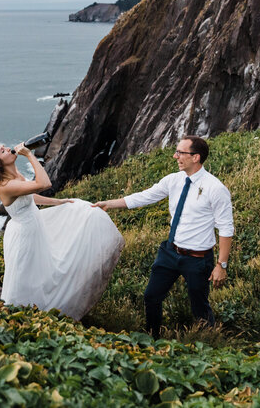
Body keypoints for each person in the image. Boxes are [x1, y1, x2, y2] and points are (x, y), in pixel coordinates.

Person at [93, 135, 234, 337]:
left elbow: (226, 229)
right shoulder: (173, 180)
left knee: (199, 306)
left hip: (198, 259)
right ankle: (152, 339)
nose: (176, 156)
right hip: (169, 252)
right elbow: (144, 196)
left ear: (196, 157)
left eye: (180, 153)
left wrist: (221, 265)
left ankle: (209, 344)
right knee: (151, 297)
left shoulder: (216, 189)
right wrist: (109, 204)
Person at [0, 140, 124, 320]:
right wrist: (30, 155)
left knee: (40, 274)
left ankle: (38, 314)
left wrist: (58, 202)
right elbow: (44, 183)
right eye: (3, 151)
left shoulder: (14, 175)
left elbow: (29, 195)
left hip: (34, 227)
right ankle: (18, 318)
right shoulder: (5, 185)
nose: (8, 149)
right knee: (25, 278)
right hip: (24, 235)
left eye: (5, 147)